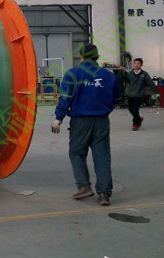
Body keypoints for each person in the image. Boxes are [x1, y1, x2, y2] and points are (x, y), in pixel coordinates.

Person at [51, 44, 121, 206]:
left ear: (81, 56)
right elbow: (117, 98)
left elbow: (65, 98)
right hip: (102, 121)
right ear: (97, 57)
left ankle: (84, 186)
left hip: (80, 121)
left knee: (77, 153)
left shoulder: (73, 74)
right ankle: (104, 194)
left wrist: (58, 118)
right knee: (102, 156)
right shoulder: (109, 76)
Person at [125, 58, 156, 131]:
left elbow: (150, 83)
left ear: (141, 65)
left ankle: (135, 124)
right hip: (130, 94)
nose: (136, 65)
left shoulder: (144, 74)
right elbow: (126, 80)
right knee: (130, 109)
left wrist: (156, 91)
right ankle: (139, 118)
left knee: (135, 110)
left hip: (139, 95)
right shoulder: (130, 73)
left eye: (138, 63)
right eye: (135, 63)